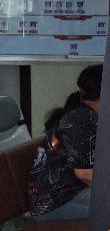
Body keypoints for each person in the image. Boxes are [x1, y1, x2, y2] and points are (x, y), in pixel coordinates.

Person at [28, 64, 102, 221]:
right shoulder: (80, 118)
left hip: (70, 193)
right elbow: (84, 174)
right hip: (54, 203)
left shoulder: (84, 113)